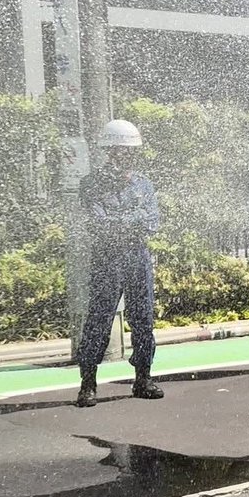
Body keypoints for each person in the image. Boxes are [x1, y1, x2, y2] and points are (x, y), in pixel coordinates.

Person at [75, 118, 163, 408]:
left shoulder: (143, 184)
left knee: (143, 319)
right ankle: (88, 383)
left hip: (138, 257)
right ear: (107, 151)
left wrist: (123, 222)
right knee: (99, 320)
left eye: (128, 151)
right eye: (117, 150)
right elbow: (99, 225)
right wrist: (133, 220)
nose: (123, 156)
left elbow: (152, 222)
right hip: (107, 259)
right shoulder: (91, 184)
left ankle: (143, 378)